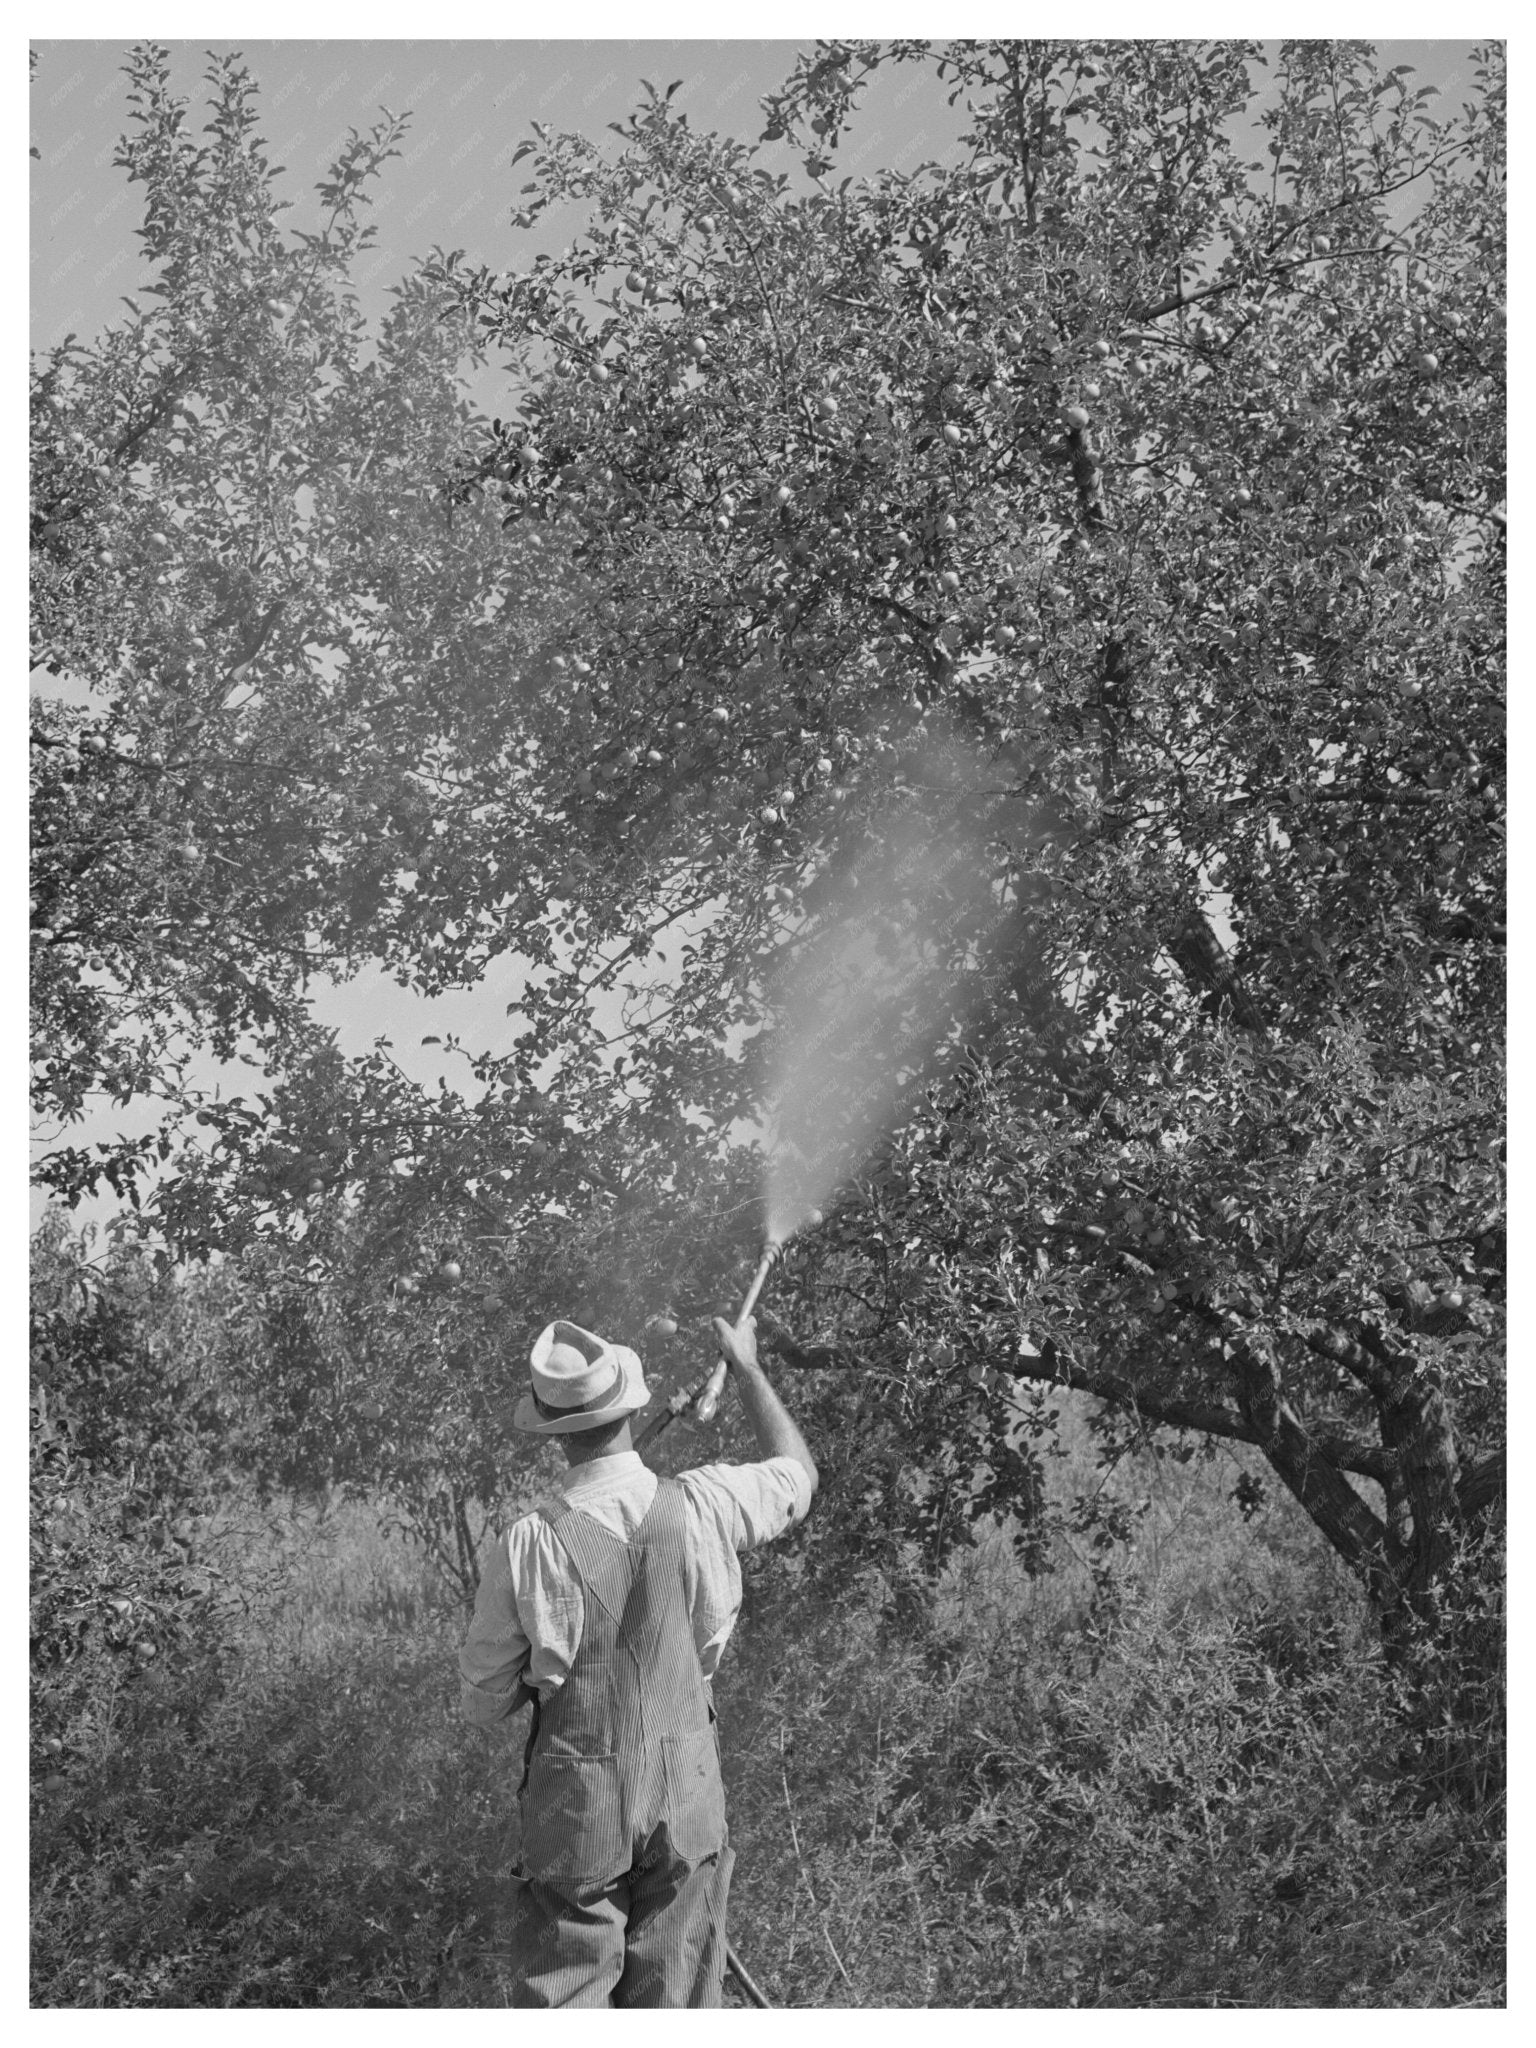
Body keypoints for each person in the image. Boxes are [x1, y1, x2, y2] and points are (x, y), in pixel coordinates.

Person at [459, 1309, 817, 2008]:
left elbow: (482, 1700)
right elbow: (798, 1475)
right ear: (629, 1406)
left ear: (552, 1429)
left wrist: (537, 1671)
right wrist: (747, 1368)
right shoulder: (706, 1503)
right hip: (687, 1792)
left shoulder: (528, 1542)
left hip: (578, 1806)